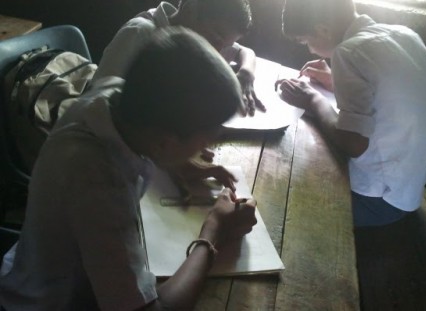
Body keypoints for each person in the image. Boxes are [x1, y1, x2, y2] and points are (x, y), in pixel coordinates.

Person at [0, 28, 258, 310]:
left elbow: (147, 139)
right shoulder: (96, 179)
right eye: (205, 139)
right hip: (52, 302)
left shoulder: (115, 94)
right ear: (165, 142)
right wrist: (213, 232)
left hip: (48, 269)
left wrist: (180, 165)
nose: (206, 148)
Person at [276, 0, 426, 227]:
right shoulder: (404, 35)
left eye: (306, 42)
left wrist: (311, 99)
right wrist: (335, 81)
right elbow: (389, 99)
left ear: (323, 29)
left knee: (285, 198)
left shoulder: (348, 52)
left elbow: (353, 143)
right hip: (409, 187)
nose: (310, 50)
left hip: (378, 200)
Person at [92, 0, 265, 117]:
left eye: (226, 44)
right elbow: (99, 100)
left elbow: (244, 51)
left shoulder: (201, 38)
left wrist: (246, 73)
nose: (219, 51)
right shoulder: (140, 33)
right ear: (190, 10)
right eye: (218, 38)